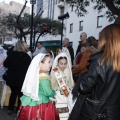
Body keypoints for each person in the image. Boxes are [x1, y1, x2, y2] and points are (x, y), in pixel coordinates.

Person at [78, 24, 120, 120]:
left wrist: (83, 76)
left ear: (106, 39)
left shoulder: (100, 60)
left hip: (97, 113)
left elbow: (84, 87)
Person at [16, 53, 59, 120]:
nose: (51, 64)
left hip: (31, 100)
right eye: (49, 62)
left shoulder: (35, 74)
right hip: (42, 104)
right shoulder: (44, 76)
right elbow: (48, 92)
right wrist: (54, 92)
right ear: (41, 64)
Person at [3, 41, 31, 114]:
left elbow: (5, 64)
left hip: (12, 78)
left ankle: (10, 108)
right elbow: (29, 68)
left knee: (13, 93)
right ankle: (19, 109)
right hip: (22, 79)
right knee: (20, 95)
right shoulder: (27, 57)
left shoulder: (11, 55)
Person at [50, 53, 74, 120]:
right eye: (61, 63)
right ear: (57, 63)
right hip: (58, 96)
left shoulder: (68, 71)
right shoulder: (55, 72)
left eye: (65, 63)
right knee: (59, 115)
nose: (63, 65)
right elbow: (52, 86)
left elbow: (70, 83)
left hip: (67, 96)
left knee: (66, 115)